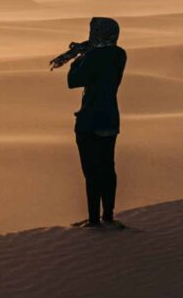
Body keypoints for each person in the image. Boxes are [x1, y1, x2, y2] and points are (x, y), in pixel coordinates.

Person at [49, 16, 127, 228]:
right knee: (108, 168)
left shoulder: (93, 57)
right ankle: (108, 216)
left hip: (89, 120)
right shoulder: (120, 54)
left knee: (92, 171)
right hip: (110, 118)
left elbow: (73, 81)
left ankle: (94, 220)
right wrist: (89, 50)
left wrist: (78, 56)